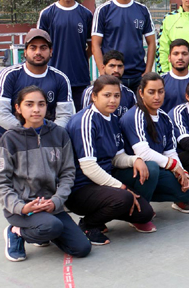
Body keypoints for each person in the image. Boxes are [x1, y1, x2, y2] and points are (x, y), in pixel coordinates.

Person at [0, 86, 91, 262]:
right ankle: (16, 232)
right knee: (51, 226)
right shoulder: (9, 139)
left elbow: (68, 173)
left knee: (82, 248)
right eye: (29, 104)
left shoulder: (59, 134)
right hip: (21, 209)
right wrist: (20, 207)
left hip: (51, 206)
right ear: (18, 108)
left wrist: (56, 201)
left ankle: (43, 232)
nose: (36, 109)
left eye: (41, 104)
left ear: (47, 107)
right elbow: (0, 182)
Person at [66, 75, 156, 245]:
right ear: (94, 96)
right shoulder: (85, 121)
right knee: (124, 198)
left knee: (145, 213)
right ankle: (88, 225)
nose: (112, 100)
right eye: (107, 95)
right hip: (80, 188)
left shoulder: (113, 119)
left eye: (116, 95)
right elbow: (89, 167)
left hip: (103, 184)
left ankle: (105, 213)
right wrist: (121, 187)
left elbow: (117, 158)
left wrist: (135, 160)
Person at [118, 73, 189, 213]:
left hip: (153, 172)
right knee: (151, 167)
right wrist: (174, 167)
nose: (157, 97)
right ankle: (140, 212)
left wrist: (182, 173)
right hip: (130, 172)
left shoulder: (165, 118)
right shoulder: (133, 116)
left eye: (160, 92)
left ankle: (140, 197)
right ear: (141, 93)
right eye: (151, 92)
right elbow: (144, 153)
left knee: (188, 191)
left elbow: (170, 151)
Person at [0, 28, 74, 147]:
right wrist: (29, 133)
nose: (38, 52)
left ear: (51, 51)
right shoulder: (9, 75)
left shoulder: (60, 78)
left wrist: (47, 135)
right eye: (33, 47)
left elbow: (65, 115)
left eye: (43, 48)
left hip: (46, 141)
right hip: (10, 142)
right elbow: (0, 114)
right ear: (25, 51)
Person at [91, 0, 155, 92]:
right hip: (113, 76)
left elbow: (152, 42)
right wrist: (102, 71)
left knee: (139, 112)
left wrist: (147, 71)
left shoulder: (142, 10)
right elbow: (95, 44)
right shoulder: (103, 10)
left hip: (138, 76)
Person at [37, 0, 93, 111]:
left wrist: (80, 58)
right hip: (53, 77)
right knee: (54, 118)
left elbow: (92, 45)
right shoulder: (47, 14)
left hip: (79, 77)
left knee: (79, 118)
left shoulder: (86, 14)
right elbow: (39, 46)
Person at [82, 50, 136, 119]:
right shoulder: (91, 91)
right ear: (103, 67)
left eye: (120, 66)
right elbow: (86, 118)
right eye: (112, 66)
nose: (116, 70)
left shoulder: (130, 94)